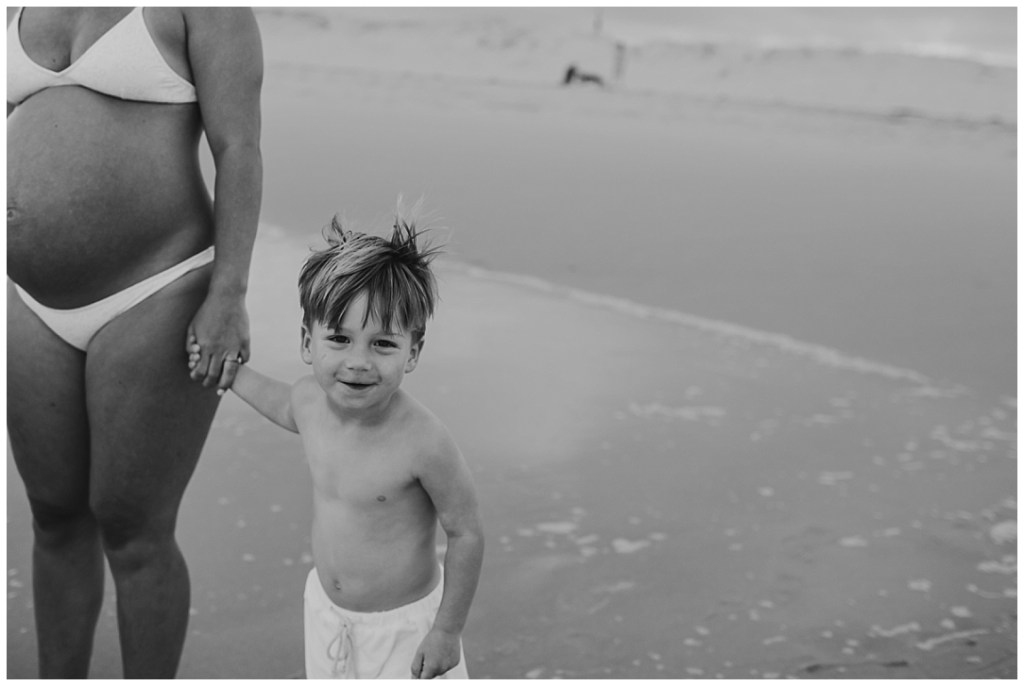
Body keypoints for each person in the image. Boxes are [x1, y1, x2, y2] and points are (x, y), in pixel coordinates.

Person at [6, 7, 263, 678]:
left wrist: (229, 293)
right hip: (29, 300)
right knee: (53, 518)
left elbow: (239, 147)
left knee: (134, 532)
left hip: (157, 288)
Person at [190, 216, 485, 678]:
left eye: (383, 344)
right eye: (340, 339)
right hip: (328, 616)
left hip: (405, 629)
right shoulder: (310, 402)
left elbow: (466, 532)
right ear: (308, 342)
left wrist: (447, 630)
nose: (358, 361)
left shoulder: (424, 441)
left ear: (412, 351)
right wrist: (228, 372)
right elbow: (279, 402)